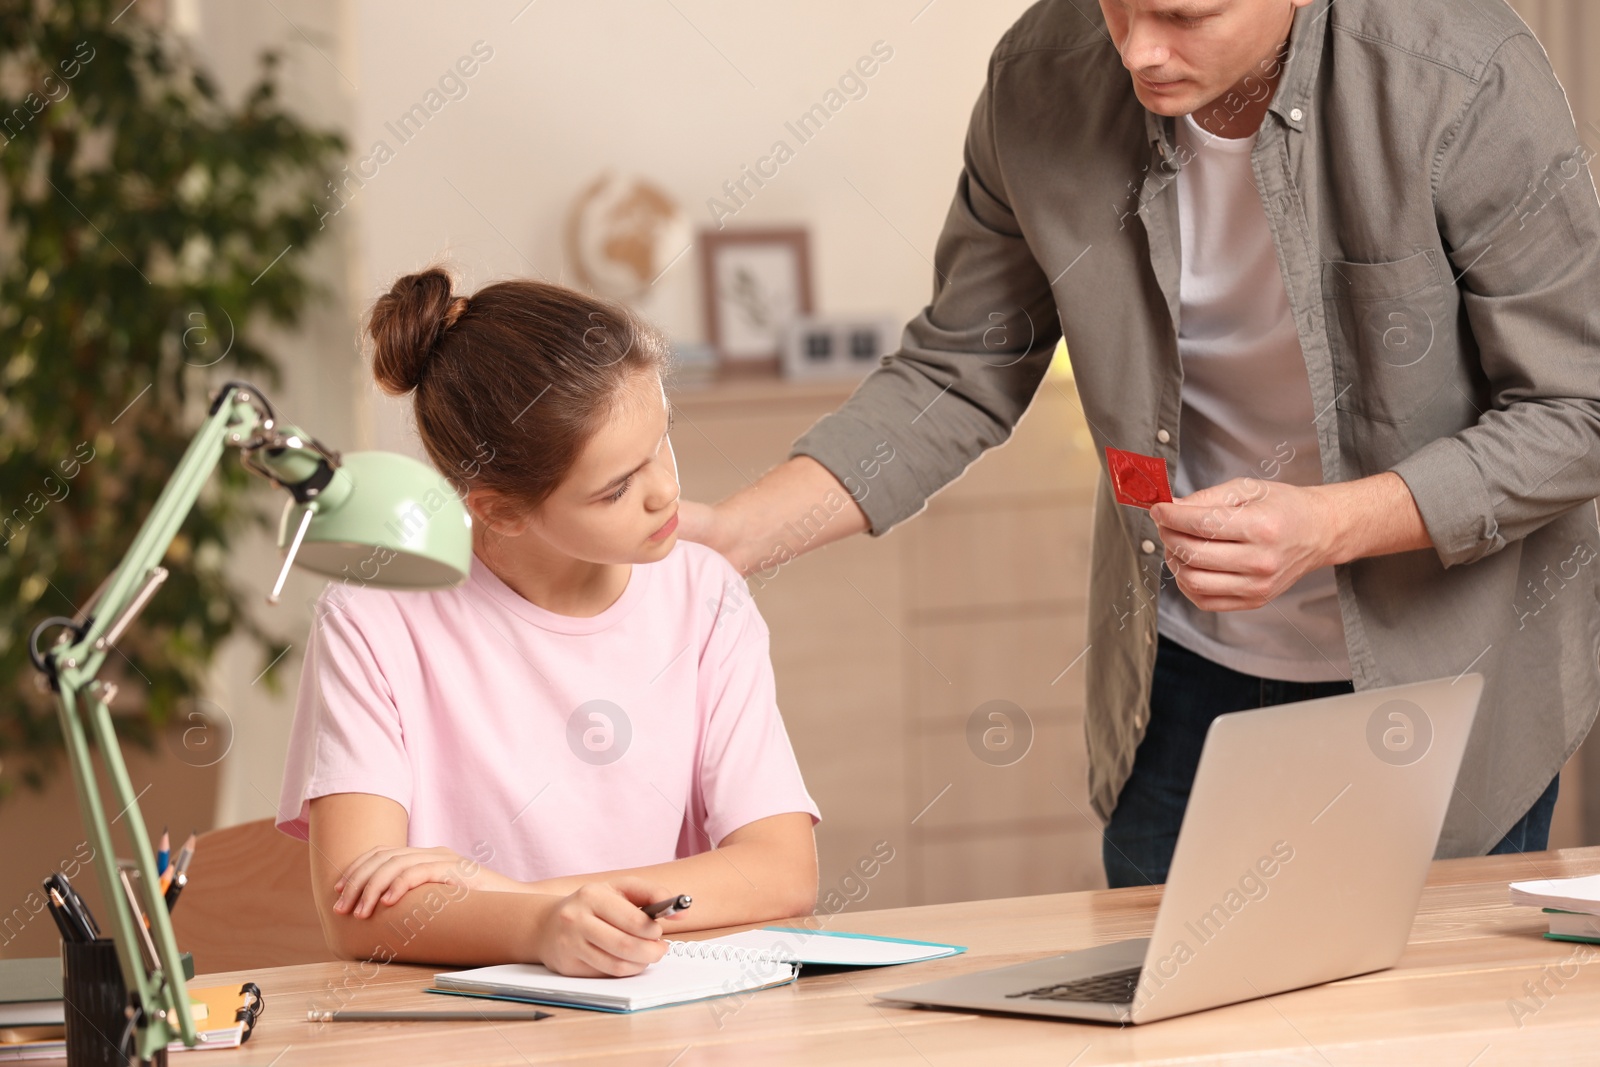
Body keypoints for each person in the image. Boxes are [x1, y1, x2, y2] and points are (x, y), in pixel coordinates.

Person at [681, 0, 1600, 887]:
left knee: (1412, 1039)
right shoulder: (1039, 75)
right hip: (1178, 686)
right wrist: (732, 538)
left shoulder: (1461, 73)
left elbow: (1578, 408)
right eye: (1117, 6)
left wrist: (1327, 526)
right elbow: (957, 368)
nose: (1138, 52)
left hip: (1444, 681)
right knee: (1169, 1027)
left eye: (1185, 17)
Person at [276, 268, 820, 975]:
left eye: (663, 441)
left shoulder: (703, 593)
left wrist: (496, 897)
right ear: (499, 508)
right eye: (617, 487)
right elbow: (359, 915)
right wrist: (538, 925)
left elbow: (781, 872)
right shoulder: (373, 617)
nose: (665, 493)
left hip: (660, 1021)